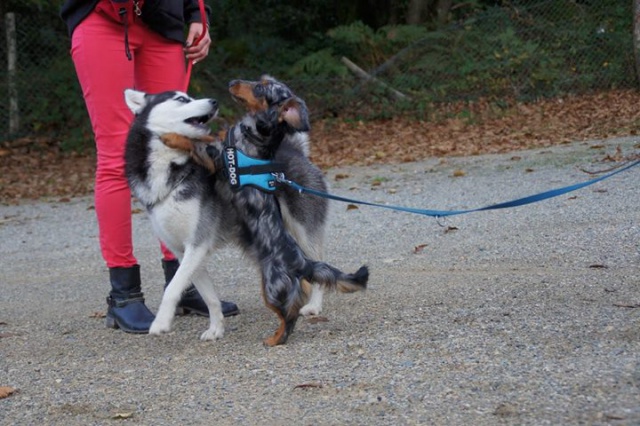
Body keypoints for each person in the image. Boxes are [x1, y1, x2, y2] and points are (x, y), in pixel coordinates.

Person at [60, 0, 239, 334]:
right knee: (116, 156)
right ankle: (124, 295)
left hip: (163, 22)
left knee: (177, 145)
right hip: (100, 19)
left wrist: (197, 15)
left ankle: (184, 286)